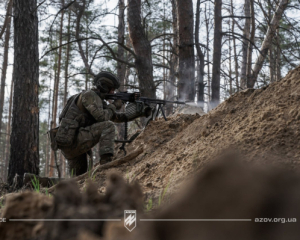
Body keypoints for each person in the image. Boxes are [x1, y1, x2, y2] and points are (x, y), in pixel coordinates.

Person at [55, 71, 128, 176]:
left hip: (71, 143)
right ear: (103, 86)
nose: (112, 92)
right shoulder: (89, 95)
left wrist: (138, 112)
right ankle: (106, 163)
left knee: (78, 180)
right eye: (111, 89)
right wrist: (114, 106)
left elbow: (114, 117)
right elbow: (103, 117)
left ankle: (37, 181)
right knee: (108, 126)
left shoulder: (93, 98)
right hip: (73, 141)